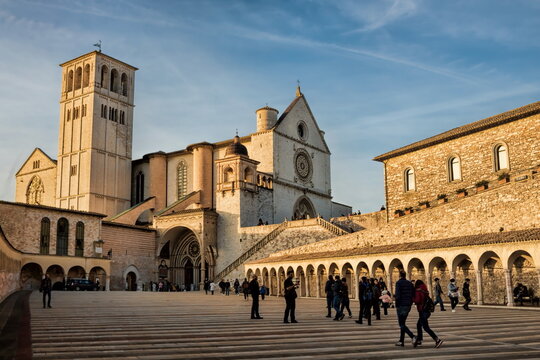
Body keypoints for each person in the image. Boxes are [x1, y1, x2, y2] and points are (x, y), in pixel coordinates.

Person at [413, 280, 444, 348]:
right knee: (419, 325)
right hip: (427, 311)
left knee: (426, 327)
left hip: (423, 311)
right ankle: (419, 340)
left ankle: (437, 340)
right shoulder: (424, 290)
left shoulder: (418, 291)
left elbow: (417, 300)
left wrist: (413, 299)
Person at [394, 271, 416, 347]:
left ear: (399, 275)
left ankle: (413, 336)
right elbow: (413, 294)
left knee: (401, 324)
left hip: (401, 305)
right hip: (408, 306)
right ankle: (401, 341)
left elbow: (397, 295)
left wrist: (396, 305)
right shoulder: (410, 283)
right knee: (403, 324)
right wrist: (410, 302)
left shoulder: (398, 283)